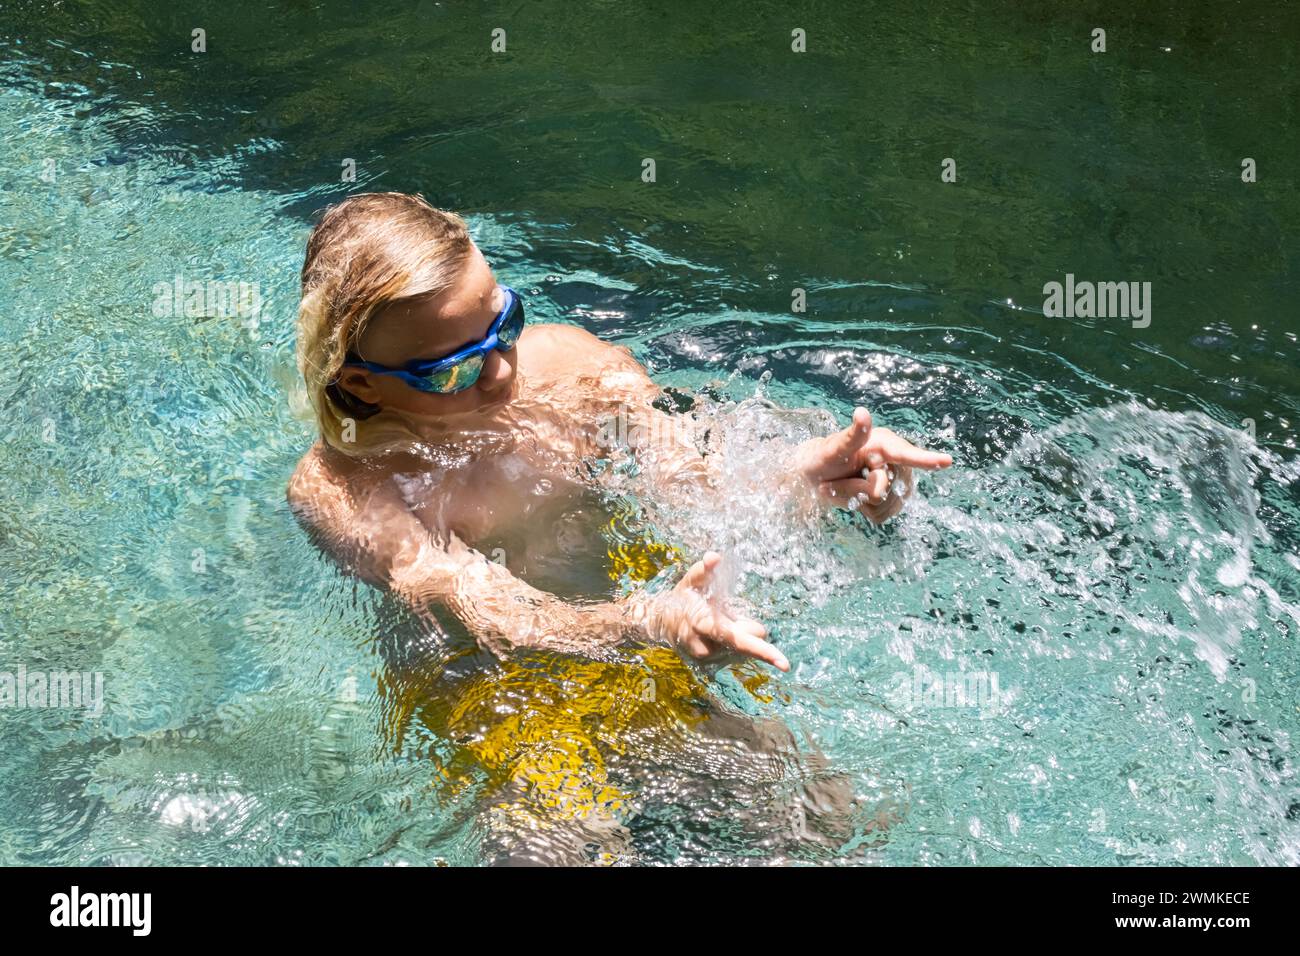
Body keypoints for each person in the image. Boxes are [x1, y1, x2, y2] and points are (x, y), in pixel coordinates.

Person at [288, 192, 951, 862]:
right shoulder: (348, 487)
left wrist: (806, 476)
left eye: (505, 323)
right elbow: (490, 616)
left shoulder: (573, 368)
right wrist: (645, 623)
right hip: (498, 710)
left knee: (829, 822)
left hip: (641, 668)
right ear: (363, 385)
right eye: (453, 368)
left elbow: (693, 479)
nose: (501, 373)